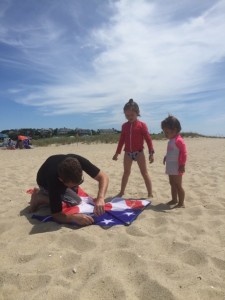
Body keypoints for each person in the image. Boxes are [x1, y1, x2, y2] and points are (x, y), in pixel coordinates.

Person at [29, 154, 109, 225]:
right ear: (61, 180)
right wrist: (73, 218)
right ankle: (39, 197)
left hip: (53, 166)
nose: (76, 187)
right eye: (72, 185)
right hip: (44, 183)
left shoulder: (77, 161)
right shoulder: (54, 181)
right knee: (73, 201)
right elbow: (56, 214)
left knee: (75, 197)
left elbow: (103, 177)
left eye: (79, 183)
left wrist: (101, 198)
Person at [112, 99, 154, 198]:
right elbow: (121, 141)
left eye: (132, 115)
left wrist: (151, 153)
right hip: (127, 153)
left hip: (139, 152)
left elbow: (148, 139)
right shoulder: (124, 126)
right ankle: (121, 192)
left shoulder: (142, 125)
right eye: (127, 115)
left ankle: (150, 193)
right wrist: (117, 153)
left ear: (137, 113)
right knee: (126, 172)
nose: (129, 117)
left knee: (144, 172)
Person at [161, 115, 187, 208]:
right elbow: (171, 151)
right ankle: (174, 199)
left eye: (167, 132)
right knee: (172, 183)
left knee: (178, 185)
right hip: (170, 165)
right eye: (164, 132)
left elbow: (184, 153)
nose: (165, 134)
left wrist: (182, 164)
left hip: (177, 166)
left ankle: (181, 202)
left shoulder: (179, 140)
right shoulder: (171, 140)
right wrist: (166, 157)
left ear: (175, 129)